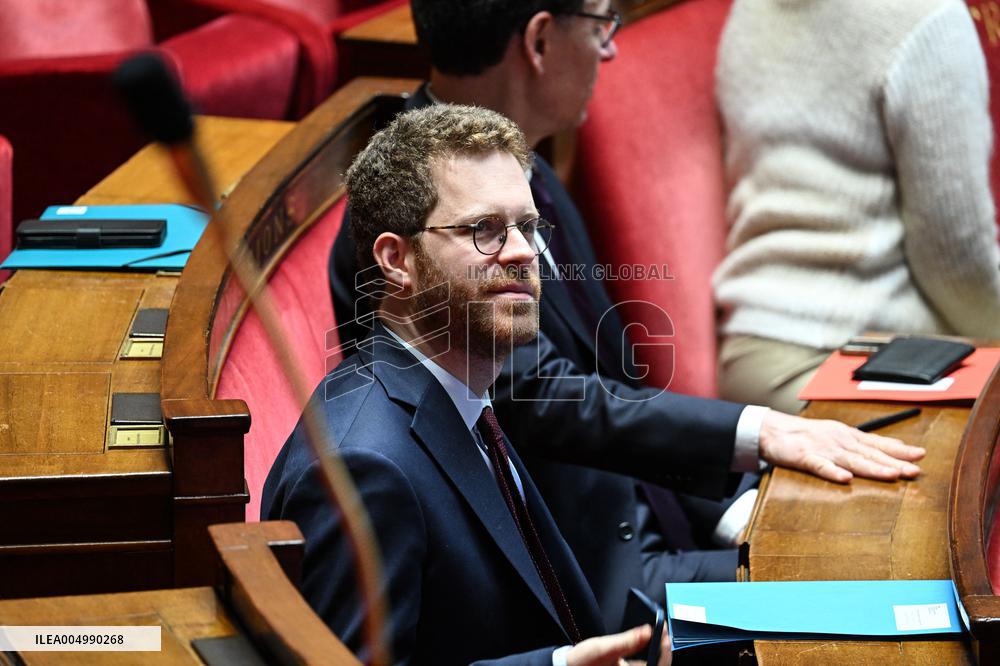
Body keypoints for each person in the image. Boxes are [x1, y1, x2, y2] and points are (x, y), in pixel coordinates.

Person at [326, 0, 927, 629]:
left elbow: (614, 379)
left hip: (657, 523)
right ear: (539, 39)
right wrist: (758, 432)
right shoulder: (415, 214)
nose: (610, 49)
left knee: (892, 523)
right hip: (591, 585)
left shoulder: (522, 178)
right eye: (601, 23)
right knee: (887, 580)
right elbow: (541, 396)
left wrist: (725, 505)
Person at [263, 104, 671, 665]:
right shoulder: (366, 466)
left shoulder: (461, 396)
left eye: (527, 227)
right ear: (395, 260)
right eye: (485, 230)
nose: (525, 252)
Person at [713, 0, 1000, 414]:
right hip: (858, 361)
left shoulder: (749, 7)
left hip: (750, 354)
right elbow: (956, 263)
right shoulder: (927, 18)